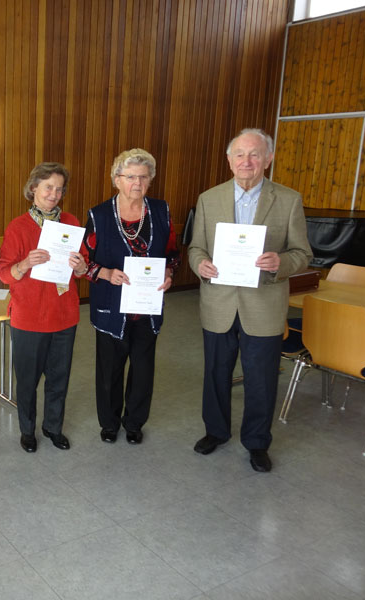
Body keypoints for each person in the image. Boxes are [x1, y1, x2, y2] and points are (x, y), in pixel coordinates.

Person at [189, 128, 312, 473]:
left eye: (255, 154)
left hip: (264, 305)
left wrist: (280, 263)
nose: (247, 161)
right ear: (229, 160)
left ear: (268, 159)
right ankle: (216, 431)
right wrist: (200, 264)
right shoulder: (208, 199)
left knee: (261, 378)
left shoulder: (288, 199)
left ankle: (257, 442)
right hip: (218, 303)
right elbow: (196, 247)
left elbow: (303, 253)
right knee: (216, 373)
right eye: (240, 154)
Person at [83, 149, 180, 445]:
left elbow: (172, 253)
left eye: (143, 177)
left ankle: (135, 423)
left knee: (143, 369)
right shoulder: (98, 215)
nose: (137, 183)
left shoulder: (161, 211)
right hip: (111, 307)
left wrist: (169, 273)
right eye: (130, 177)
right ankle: (109, 423)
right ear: (117, 179)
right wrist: (105, 273)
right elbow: (83, 262)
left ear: (150, 180)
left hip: (147, 307)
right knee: (109, 370)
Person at [0, 162, 87, 452]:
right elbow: (4, 273)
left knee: (59, 378)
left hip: (64, 315)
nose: (54, 194)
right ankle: (27, 430)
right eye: (48, 187)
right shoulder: (18, 227)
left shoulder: (71, 222)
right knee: (27, 381)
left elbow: (82, 269)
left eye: (59, 189)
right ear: (34, 188)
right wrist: (25, 263)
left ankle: (53, 427)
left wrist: (81, 266)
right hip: (29, 317)